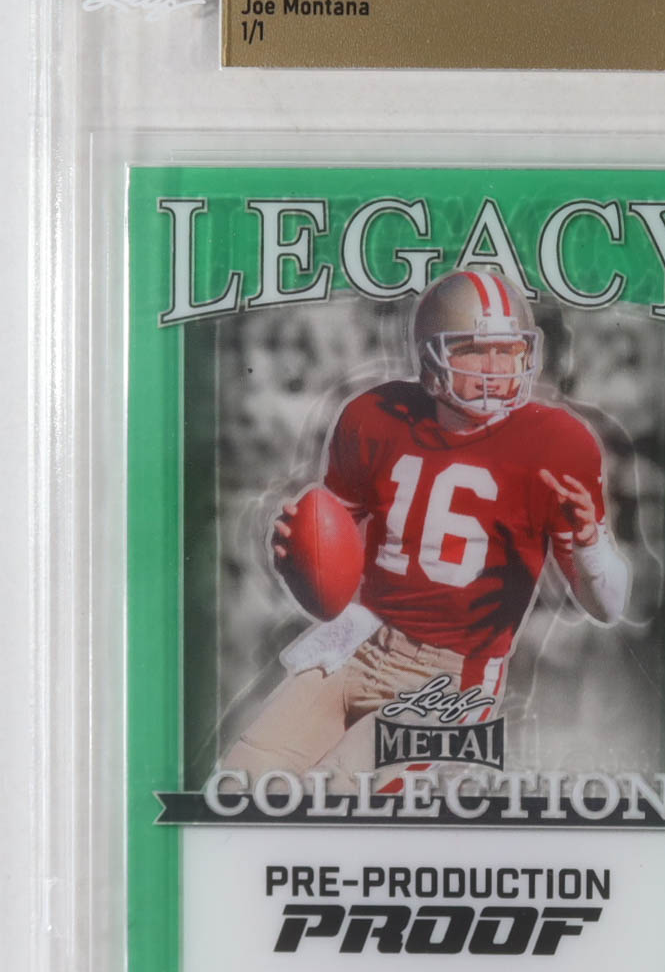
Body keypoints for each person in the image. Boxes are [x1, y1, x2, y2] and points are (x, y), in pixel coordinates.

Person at [220, 267, 629, 789]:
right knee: (239, 785)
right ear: (431, 357)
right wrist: (298, 551)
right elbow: (334, 544)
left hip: (452, 676)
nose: (495, 367)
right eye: (474, 350)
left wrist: (589, 543)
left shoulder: (559, 443)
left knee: (340, 798)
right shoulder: (375, 415)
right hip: (360, 641)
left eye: (508, 350)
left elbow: (608, 606)